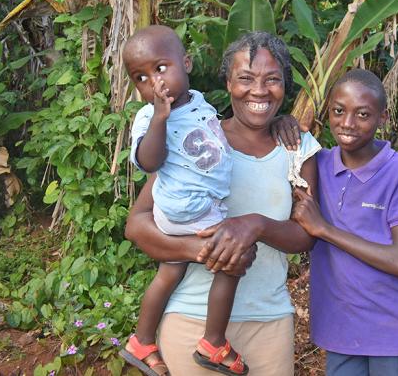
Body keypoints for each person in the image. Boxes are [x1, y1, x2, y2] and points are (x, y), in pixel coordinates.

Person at [124, 30, 319, 376]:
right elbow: (137, 225)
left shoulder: (296, 147)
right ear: (228, 83)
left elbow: (306, 236)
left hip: (268, 322)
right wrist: (199, 250)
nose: (259, 90)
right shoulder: (197, 142)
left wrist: (254, 225)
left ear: (285, 86)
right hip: (190, 320)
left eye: (272, 80)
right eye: (245, 79)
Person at [119, 24, 252, 376]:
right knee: (233, 260)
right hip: (187, 207)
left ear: (186, 63)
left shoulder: (199, 102)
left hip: (194, 205)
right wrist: (160, 119)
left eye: (160, 68)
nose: (155, 82)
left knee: (168, 273)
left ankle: (142, 340)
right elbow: (149, 161)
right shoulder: (150, 116)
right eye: (142, 77)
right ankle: (213, 342)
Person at [291, 69, 398, 375]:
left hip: (392, 333)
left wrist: (325, 229)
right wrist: (287, 123)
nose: (348, 123)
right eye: (339, 111)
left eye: (362, 114)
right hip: (340, 330)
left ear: (383, 117)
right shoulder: (319, 164)